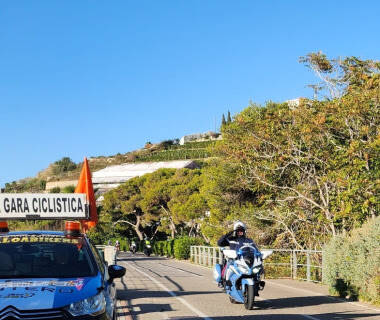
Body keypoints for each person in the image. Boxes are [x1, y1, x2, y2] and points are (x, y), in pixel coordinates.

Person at [217, 221, 258, 288]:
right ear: (235, 231)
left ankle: (256, 281)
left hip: (246, 260)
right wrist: (228, 234)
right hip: (233, 259)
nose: (240, 232)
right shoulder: (231, 239)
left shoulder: (249, 240)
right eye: (238, 230)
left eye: (241, 230)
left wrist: (257, 254)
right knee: (227, 266)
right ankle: (222, 281)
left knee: (257, 267)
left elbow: (254, 249)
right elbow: (220, 243)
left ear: (244, 231)